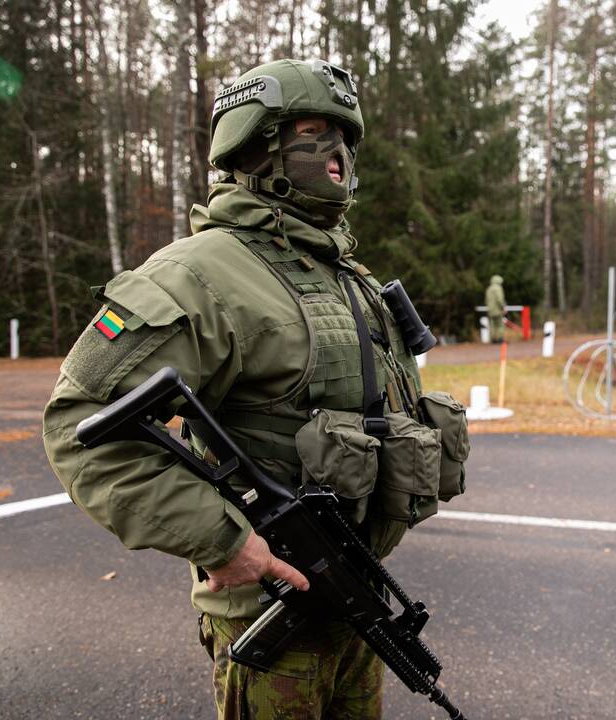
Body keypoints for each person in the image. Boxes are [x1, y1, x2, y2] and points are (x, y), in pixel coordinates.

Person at [43, 59, 467, 720]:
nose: (337, 156)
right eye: (311, 133)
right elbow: (80, 426)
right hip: (272, 609)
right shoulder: (198, 275)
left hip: (355, 601)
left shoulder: (344, 275)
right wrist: (222, 540)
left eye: (344, 138)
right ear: (255, 145)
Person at [485, 274, 507, 343]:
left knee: (492, 325)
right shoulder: (498, 288)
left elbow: (486, 300)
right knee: (500, 325)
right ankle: (500, 339)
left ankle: (493, 339)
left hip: (490, 310)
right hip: (497, 310)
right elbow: (499, 299)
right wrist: (503, 307)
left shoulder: (489, 288)